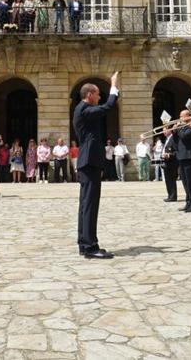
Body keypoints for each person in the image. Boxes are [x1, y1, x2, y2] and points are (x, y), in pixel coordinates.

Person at [73, 72, 119, 259]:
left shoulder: (82, 109)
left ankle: (85, 243)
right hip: (89, 161)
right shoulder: (84, 109)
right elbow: (108, 106)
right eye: (98, 94)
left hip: (87, 161)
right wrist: (114, 85)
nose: (100, 97)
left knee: (86, 204)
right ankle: (90, 246)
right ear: (90, 94)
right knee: (90, 204)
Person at [174, 111, 191, 211]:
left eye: (181, 116)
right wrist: (173, 131)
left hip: (189, 156)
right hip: (181, 156)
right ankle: (188, 202)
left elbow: (184, 136)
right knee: (185, 182)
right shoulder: (181, 127)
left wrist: (178, 128)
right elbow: (176, 140)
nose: (179, 118)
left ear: (187, 116)